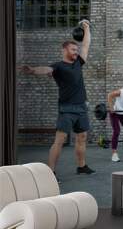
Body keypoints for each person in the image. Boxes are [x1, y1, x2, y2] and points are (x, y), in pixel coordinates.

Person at [19, 20, 95, 179]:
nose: (76, 51)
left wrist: (86, 28)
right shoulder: (58, 66)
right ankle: (50, 172)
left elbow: (86, 45)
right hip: (66, 108)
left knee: (82, 137)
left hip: (81, 107)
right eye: (73, 49)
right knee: (60, 140)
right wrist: (33, 70)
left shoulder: (78, 63)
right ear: (65, 49)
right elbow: (46, 69)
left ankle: (81, 166)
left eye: (76, 49)